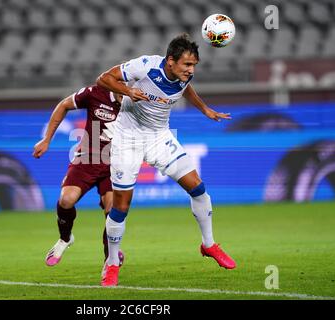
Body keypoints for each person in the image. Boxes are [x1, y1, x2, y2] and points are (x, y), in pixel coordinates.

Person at [96, 33, 236, 287]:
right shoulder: (146, 66)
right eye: (187, 65)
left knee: (198, 188)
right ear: (170, 61)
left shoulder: (184, 76)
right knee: (121, 207)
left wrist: (205, 109)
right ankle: (112, 263)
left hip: (160, 138)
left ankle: (209, 245)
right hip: (128, 139)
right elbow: (103, 79)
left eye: (194, 65)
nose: (191, 70)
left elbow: (186, 89)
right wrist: (127, 90)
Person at [33, 85, 124, 267]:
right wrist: (47, 139)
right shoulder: (95, 93)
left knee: (111, 210)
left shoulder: (139, 104)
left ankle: (110, 259)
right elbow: (64, 105)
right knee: (66, 200)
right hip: (87, 158)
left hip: (115, 163)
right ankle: (65, 239)